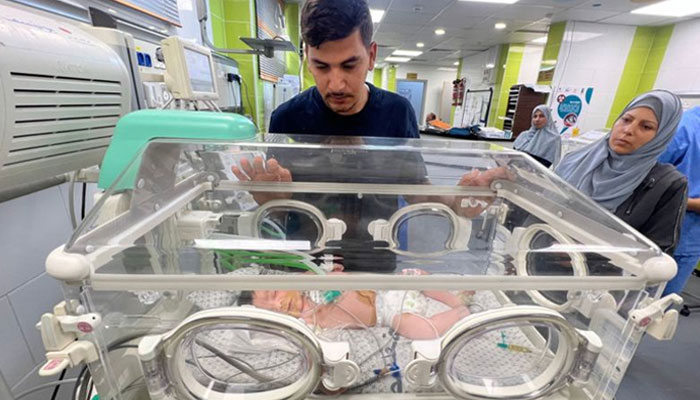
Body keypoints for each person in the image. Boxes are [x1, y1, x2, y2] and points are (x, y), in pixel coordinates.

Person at [555, 90, 687, 257]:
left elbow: (658, 252)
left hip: (600, 277)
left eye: (646, 127)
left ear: (662, 135)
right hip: (537, 260)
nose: (628, 130)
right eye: (626, 119)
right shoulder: (573, 160)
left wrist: (587, 255)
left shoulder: (667, 184)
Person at [268, 0, 418, 138]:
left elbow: (412, 168)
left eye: (349, 66)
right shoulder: (286, 120)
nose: (336, 86)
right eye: (321, 66)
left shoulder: (399, 113)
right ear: (307, 57)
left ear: (371, 56)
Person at [245, 268, 472, 340]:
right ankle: (461, 314)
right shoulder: (305, 321)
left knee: (419, 279)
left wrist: (331, 276)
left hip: (384, 291)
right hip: (387, 313)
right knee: (420, 330)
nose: (278, 303)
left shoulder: (311, 279)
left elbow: (346, 277)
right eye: (271, 309)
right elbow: (319, 337)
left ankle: (455, 300)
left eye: (274, 293)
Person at [658, 106, 700, 295]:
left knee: (659, 311)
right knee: (634, 308)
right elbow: (644, 182)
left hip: (690, 240)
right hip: (662, 236)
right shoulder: (683, 127)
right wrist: (691, 203)